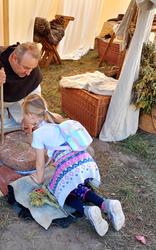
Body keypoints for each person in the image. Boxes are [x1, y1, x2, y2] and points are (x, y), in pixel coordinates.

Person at [22, 94, 125, 236]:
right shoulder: (56, 119)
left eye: (25, 116)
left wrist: (39, 179)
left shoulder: (38, 134)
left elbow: (39, 163)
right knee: (76, 186)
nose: (24, 119)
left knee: (57, 192)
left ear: (31, 116)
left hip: (68, 167)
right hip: (84, 161)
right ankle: (106, 204)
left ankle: (87, 210)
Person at [0, 42, 42, 131]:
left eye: (32, 68)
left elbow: (34, 94)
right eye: (26, 68)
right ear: (14, 58)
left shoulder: (30, 63)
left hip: (19, 105)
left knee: (38, 121)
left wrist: (29, 116)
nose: (29, 73)